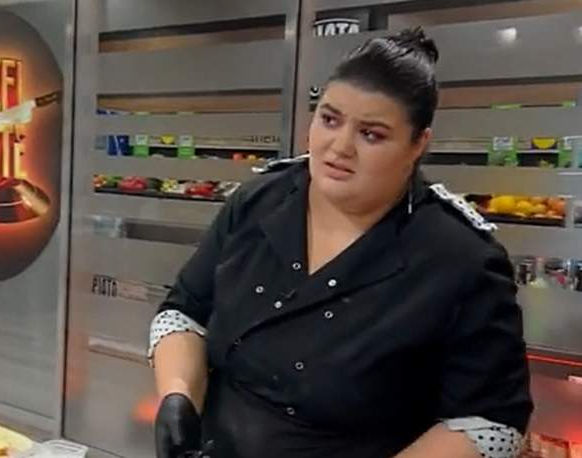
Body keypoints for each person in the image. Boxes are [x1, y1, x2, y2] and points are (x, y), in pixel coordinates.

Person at [149, 28, 533, 458]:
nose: (340, 147)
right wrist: (178, 396)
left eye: (372, 134)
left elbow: (492, 423)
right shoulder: (258, 201)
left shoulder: (461, 258)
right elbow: (183, 312)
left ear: (418, 144)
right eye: (329, 120)